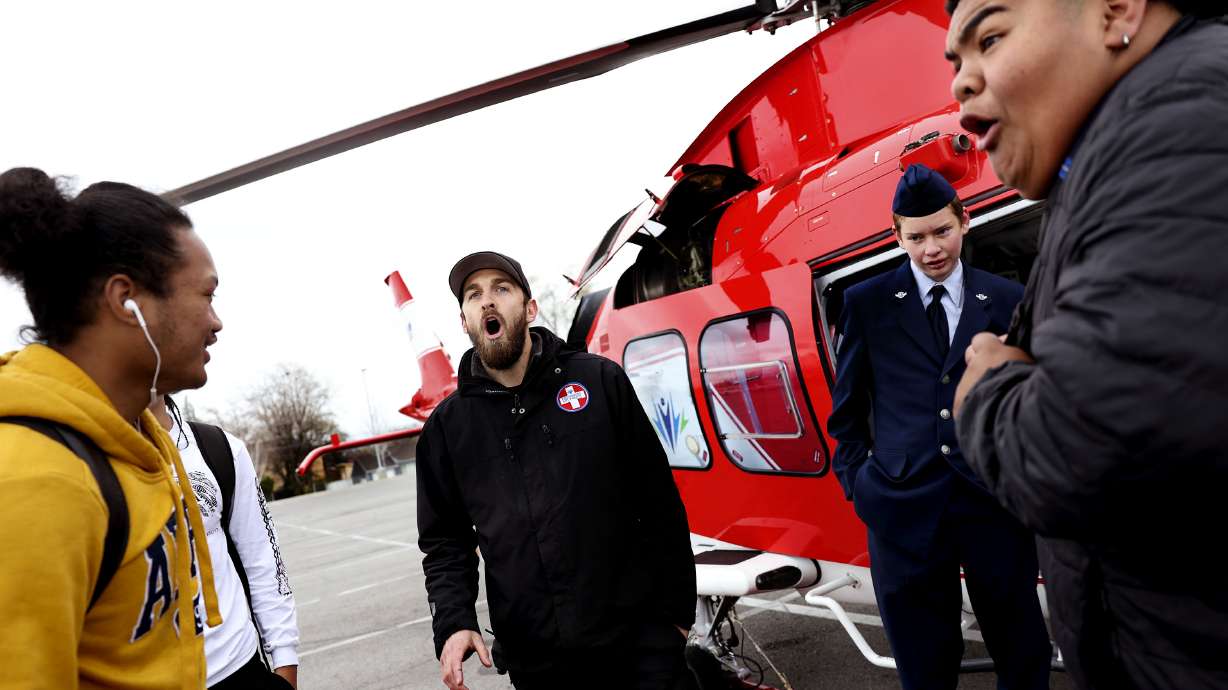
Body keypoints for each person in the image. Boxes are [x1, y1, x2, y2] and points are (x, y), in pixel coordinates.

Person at [944, 1, 1228, 687]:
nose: (959, 83)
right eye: (955, 64)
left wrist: (986, 388)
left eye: (990, 36)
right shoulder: (1127, 139)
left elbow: (1080, 451)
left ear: (1115, 10)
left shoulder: (1181, 120)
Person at [416, 251, 697, 690]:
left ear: (529, 309)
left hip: (641, 650)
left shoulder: (600, 383)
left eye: (501, 289)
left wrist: (676, 618)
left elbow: (659, 502)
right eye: (474, 295)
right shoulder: (447, 430)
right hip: (539, 665)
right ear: (465, 321)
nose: (487, 301)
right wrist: (453, 622)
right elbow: (445, 542)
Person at [827, 164, 1051, 690]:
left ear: (965, 222)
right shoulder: (867, 303)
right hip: (901, 505)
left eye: (942, 231)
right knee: (924, 664)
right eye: (917, 236)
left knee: (1022, 649)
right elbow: (848, 409)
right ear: (896, 236)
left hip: (992, 501)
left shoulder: (1005, 298)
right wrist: (860, 484)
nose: (932, 248)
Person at [0, 167, 222, 688]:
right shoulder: (35, 483)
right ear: (127, 300)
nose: (217, 322)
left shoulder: (139, 441)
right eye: (207, 295)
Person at [152, 396, 300, 689]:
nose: (209, 345)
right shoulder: (82, 459)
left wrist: (285, 665)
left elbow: (264, 563)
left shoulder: (218, 449)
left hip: (239, 670)